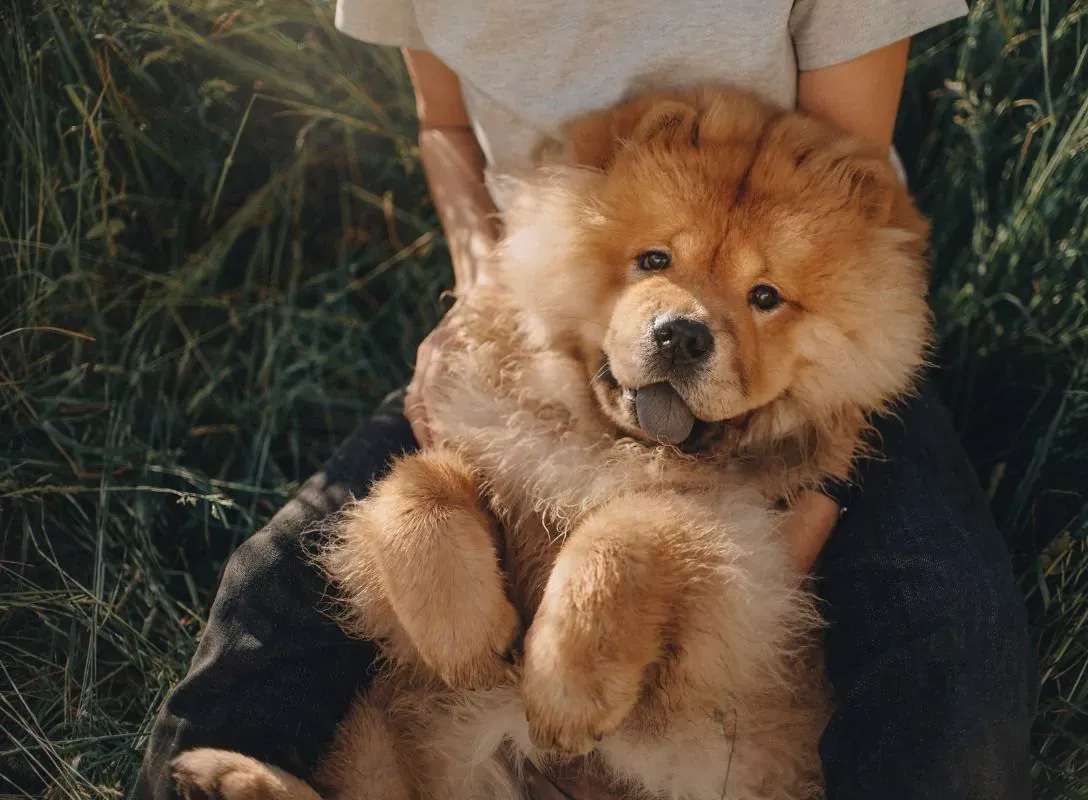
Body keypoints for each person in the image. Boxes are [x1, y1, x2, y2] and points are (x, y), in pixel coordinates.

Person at [134, 2, 1035, 798]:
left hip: (798, 378)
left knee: (945, 621)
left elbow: (844, 202)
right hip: (561, 310)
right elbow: (442, 122)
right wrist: (484, 289)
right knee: (273, 591)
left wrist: (820, 485)